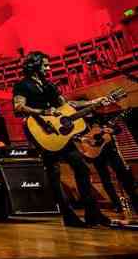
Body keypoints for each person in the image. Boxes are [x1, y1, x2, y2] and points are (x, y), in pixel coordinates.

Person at [13, 51, 112, 227]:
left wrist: (95, 102)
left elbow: (67, 105)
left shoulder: (49, 85)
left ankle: (92, 213)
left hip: (59, 133)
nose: (49, 68)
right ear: (35, 66)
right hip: (40, 131)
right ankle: (68, 216)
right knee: (54, 174)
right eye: (45, 65)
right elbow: (18, 107)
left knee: (82, 168)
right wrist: (42, 112)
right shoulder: (22, 85)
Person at [86, 112, 138, 214]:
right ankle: (117, 205)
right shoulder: (82, 123)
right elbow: (80, 137)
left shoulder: (102, 117)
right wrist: (88, 140)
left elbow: (118, 128)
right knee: (105, 179)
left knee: (124, 175)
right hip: (95, 153)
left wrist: (112, 130)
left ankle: (135, 203)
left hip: (110, 150)